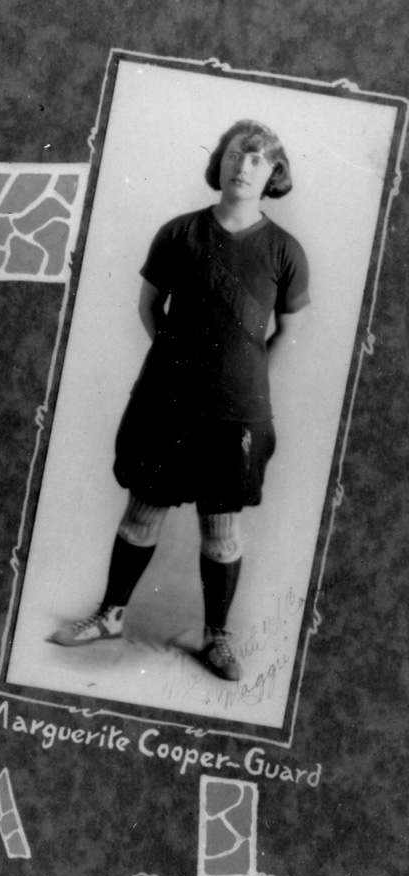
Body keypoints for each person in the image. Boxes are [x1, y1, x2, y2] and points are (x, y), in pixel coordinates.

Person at [49, 120, 309, 682]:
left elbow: (288, 330)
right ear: (220, 161)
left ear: (273, 176)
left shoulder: (285, 251)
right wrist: (174, 367)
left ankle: (218, 640)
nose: (245, 165)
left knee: (222, 526)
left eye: (260, 159)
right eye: (238, 153)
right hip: (166, 404)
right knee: (143, 512)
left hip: (236, 415)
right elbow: (149, 308)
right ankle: (110, 616)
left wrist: (250, 383)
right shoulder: (179, 233)